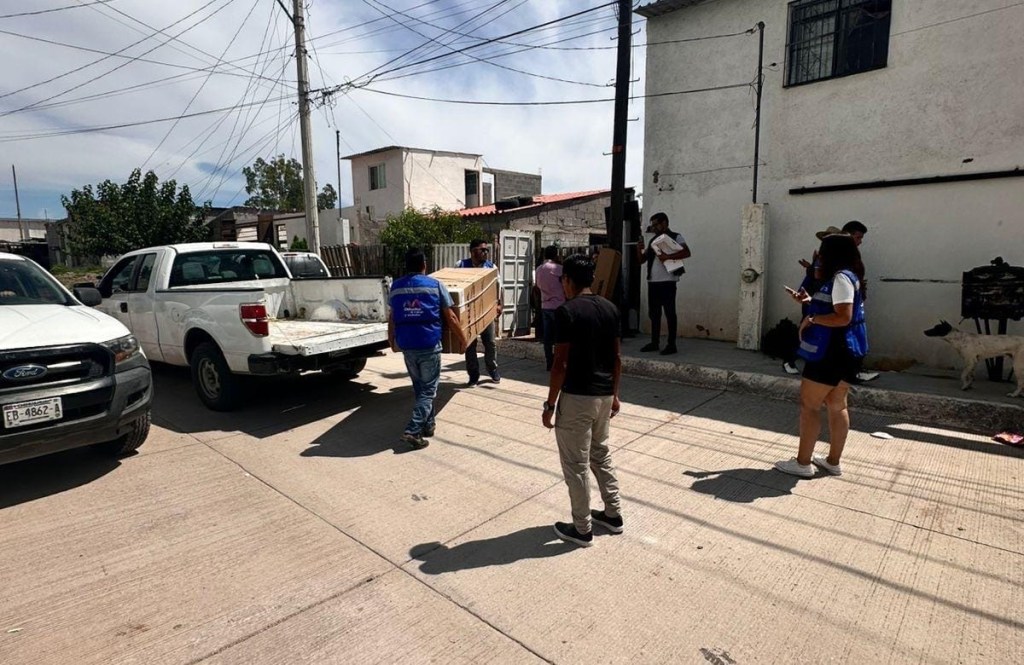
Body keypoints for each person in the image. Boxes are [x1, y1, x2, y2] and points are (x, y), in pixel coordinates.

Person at [542, 254, 623, 547]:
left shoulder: (567, 312)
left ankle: (582, 528)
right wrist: (615, 395)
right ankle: (613, 514)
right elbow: (616, 357)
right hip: (604, 395)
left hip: (577, 398)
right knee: (601, 454)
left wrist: (550, 405)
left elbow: (560, 364)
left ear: (567, 280)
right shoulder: (610, 308)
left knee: (576, 465)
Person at [775, 233, 868, 478]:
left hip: (831, 351)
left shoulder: (840, 278)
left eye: (822, 251)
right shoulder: (849, 276)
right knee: (837, 405)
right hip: (848, 350)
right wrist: (808, 301)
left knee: (810, 406)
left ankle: (802, 463)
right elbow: (836, 306)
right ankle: (832, 462)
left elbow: (843, 316)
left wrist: (812, 318)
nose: (819, 256)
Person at [389, 248, 467, 450]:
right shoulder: (434, 285)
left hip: (407, 345)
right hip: (428, 344)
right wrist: (463, 339)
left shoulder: (396, 287)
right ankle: (413, 430)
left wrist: (391, 340)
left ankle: (429, 425)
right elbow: (451, 317)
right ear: (424, 265)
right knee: (429, 391)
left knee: (420, 388)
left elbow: (392, 317)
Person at [635, 212, 690, 355]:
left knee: (670, 313)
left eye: (656, 225)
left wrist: (667, 256)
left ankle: (672, 344)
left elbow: (686, 252)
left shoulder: (676, 236)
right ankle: (655, 342)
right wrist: (639, 249)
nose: (654, 228)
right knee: (654, 314)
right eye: (652, 225)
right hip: (653, 281)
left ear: (664, 223)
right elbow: (642, 260)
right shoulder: (653, 240)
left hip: (668, 281)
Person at [457, 238, 502, 385]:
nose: (485, 252)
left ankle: (492, 369)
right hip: (469, 313)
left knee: (490, 342)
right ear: (472, 251)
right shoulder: (461, 266)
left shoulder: (491, 267)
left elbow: (499, 287)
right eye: (482, 250)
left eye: (486, 250)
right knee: (470, 345)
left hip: (486, 311)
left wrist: (499, 304)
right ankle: (473, 375)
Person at [534, 245, 564, 371]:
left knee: (547, 337)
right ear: (556, 255)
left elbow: (537, 286)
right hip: (559, 306)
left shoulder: (539, 269)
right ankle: (558, 361)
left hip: (545, 305)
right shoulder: (559, 269)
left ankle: (549, 361)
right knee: (559, 336)